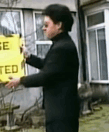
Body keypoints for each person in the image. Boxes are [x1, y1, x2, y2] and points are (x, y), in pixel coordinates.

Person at [5, 4, 79, 132]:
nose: (43, 28)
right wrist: (28, 57)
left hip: (61, 114)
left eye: (46, 25)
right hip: (62, 111)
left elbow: (46, 76)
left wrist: (20, 80)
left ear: (59, 25)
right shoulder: (61, 44)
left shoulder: (62, 48)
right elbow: (49, 66)